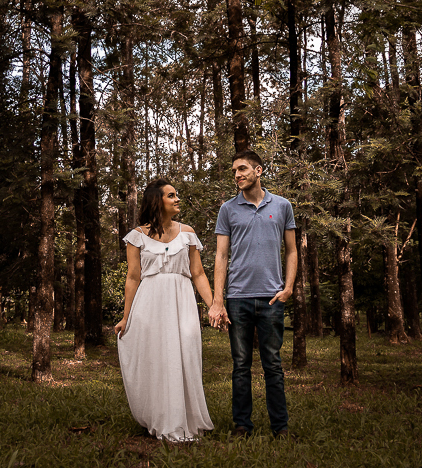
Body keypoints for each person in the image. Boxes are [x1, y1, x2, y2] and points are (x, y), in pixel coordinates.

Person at [114, 178, 215, 442]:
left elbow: (198, 273)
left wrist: (215, 305)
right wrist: (126, 317)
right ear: (157, 201)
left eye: (176, 194)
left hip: (182, 303)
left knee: (185, 355)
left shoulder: (188, 233)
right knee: (157, 358)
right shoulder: (136, 236)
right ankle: (161, 417)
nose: (177, 198)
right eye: (171, 195)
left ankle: (184, 420)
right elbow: (133, 277)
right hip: (150, 304)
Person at [208, 150, 296, 438]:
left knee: (272, 363)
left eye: (243, 169)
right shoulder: (228, 209)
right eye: (234, 171)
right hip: (237, 299)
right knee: (240, 365)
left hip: (272, 299)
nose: (237, 175)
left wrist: (288, 288)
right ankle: (242, 425)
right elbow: (221, 256)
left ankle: (280, 428)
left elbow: (292, 250)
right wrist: (218, 300)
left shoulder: (282, 206)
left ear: (259, 171)